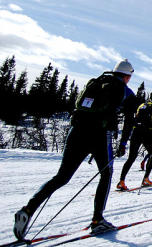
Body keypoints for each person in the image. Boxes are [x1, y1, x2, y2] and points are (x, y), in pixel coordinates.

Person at [13, 60, 138, 240]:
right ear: (127, 76)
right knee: (106, 173)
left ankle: (28, 209)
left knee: (62, 176)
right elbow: (129, 121)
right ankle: (97, 220)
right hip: (99, 135)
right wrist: (123, 143)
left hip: (76, 130)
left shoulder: (96, 82)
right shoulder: (126, 92)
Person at [117, 91, 152, 190]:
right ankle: (146, 178)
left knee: (131, 158)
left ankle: (121, 181)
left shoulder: (142, 105)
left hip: (136, 132)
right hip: (148, 133)